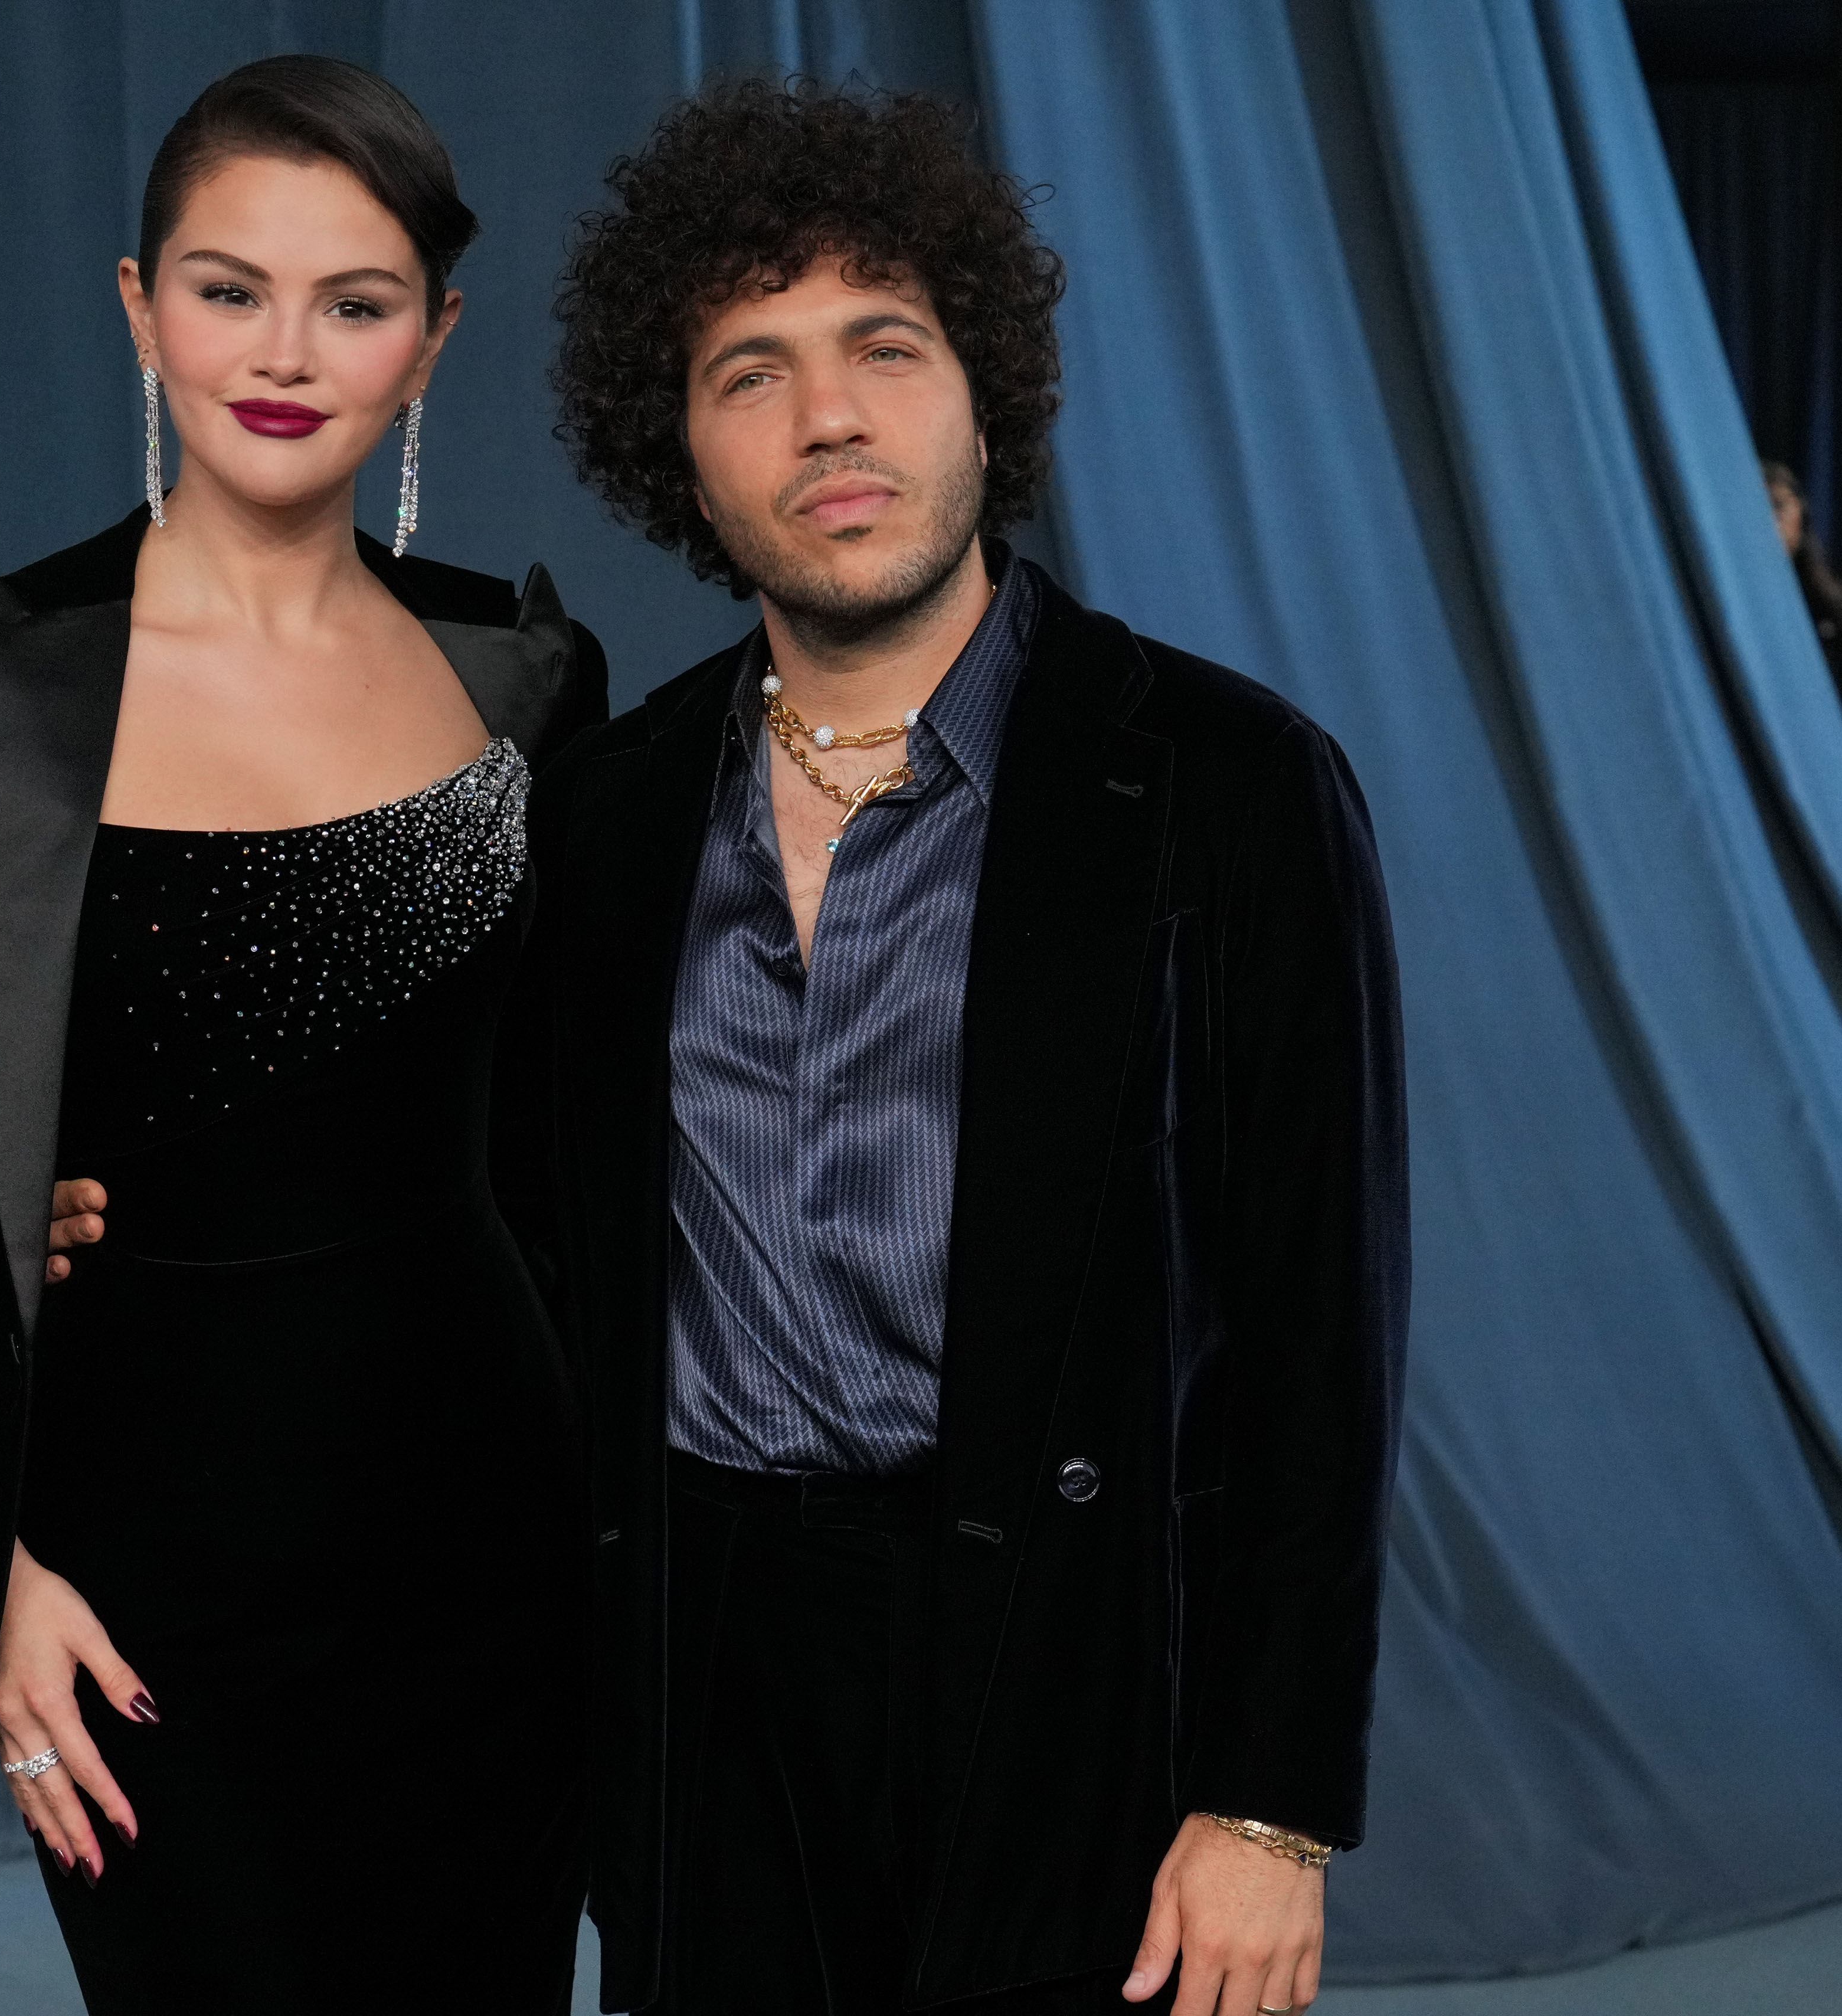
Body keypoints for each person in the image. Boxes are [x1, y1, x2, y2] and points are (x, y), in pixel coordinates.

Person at [0, 54, 605, 2014]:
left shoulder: (530, 678)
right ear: (138, 304)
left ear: (433, 338)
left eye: (354, 300)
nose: (285, 352)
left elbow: (573, 1151)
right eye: (228, 288)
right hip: (137, 1555)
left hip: (484, 1523)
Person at [520, 81, 1408, 2016]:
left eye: (884, 348)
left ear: (981, 395)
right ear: (678, 452)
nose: (827, 417)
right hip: (705, 1685)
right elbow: (487, 1237)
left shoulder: (1228, 786)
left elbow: (1316, 1334)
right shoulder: (603, 815)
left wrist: (1269, 1803)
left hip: (1071, 1665)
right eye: (749, 371)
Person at [1764, 459, 1842, 791]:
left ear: (1801, 514)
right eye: (1758, 509)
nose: (1769, 522)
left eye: (1778, 506)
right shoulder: (1727, 606)